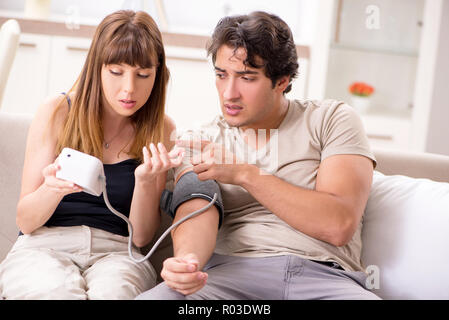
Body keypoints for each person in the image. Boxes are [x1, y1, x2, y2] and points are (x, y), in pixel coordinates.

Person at [136, 11, 380, 300]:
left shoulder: (331, 120)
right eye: (221, 74)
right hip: (230, 278)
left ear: (282, 81)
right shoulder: (201, 140)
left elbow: (338, 225)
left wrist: (244, 174)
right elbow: (195, 207)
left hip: (325, 279)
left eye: (246, 78)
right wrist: (187, 262)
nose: (229, 93)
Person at [0, 10, 184, 300]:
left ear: (158, 75)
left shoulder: (161, 129)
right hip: (44, 246)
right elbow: (25, 221)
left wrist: (146, 181)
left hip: (117, 253)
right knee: (54, 293)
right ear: (96, 68)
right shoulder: (57, 112)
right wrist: (52, 189)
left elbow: (141, 237)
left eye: (143, 75)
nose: (129, 88)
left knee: (116, 293)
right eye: (116, 72)